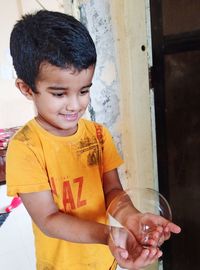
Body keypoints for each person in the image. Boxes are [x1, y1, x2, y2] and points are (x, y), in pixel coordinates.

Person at [6, 10, 181, 270]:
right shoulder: (26, 148)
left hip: (105, 261)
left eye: (84, 90)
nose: (75, 105)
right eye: (59, 93)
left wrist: (132, 218)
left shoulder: (98, 135)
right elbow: (48, 219)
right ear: (27, 89)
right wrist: (108, 235)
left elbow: (112, 191)